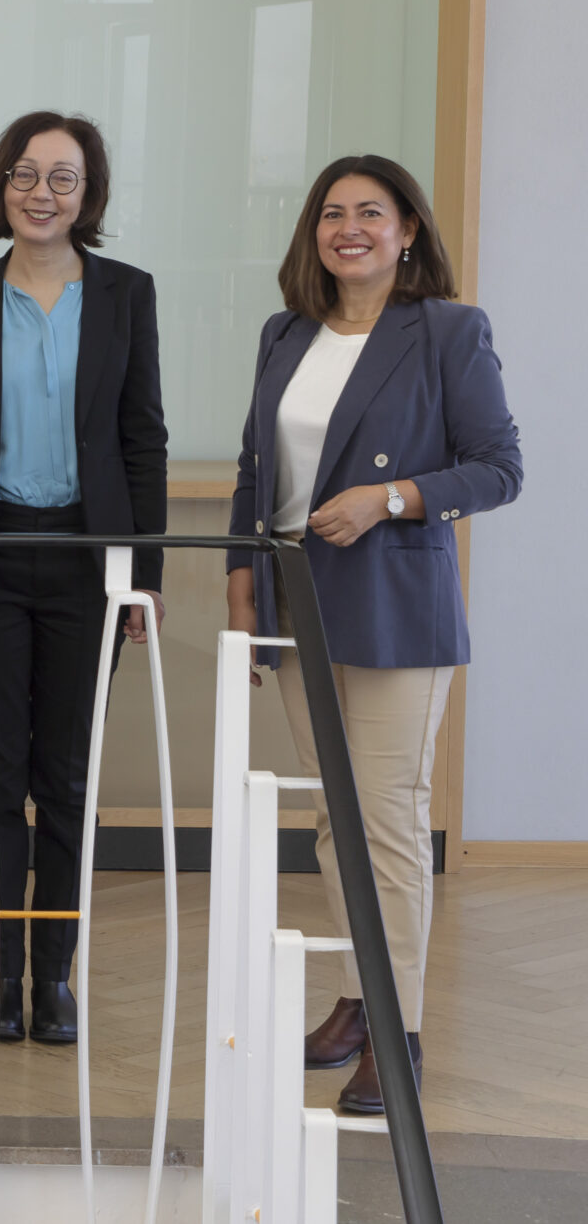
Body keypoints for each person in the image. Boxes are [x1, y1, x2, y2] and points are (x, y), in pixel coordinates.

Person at [229, 155, 519, 1117]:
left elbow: (497, 469)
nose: (348, 227)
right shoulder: (286, 333)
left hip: (396, 604)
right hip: (298, 601)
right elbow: (253, 467)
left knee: (387, 821)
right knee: (332, 815)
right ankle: (357, 997)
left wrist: (390, 498)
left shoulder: (446, 330)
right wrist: (242, 582)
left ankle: (395, 1041)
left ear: (407, 231)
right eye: (330, 213)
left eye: (371, 212)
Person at [0, 111, 168, 1047]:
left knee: (65, 778)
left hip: (89, 566)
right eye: (24, 174)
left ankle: (52, 977)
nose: (41, 193)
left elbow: (143, 441)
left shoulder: (127, 295)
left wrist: (145, 574)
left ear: (88, 194)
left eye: (62, 177)